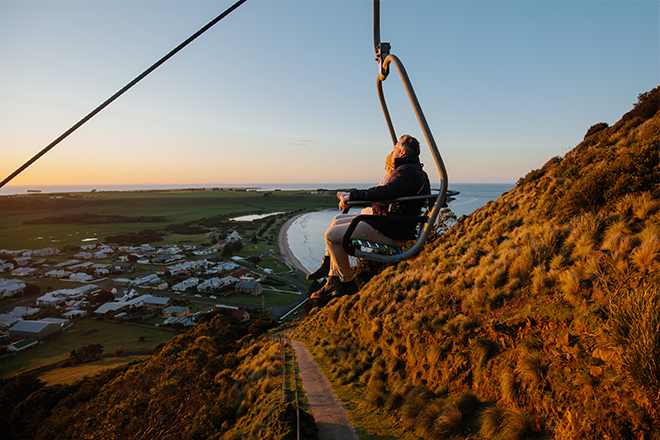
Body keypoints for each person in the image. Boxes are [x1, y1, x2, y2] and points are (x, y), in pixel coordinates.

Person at [310, 134, 431, 299]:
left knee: (331, 235)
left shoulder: (408, 172)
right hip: (390, 222)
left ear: (402, 152)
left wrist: (352, 196)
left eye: (395, 148)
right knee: (337, 221)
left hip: (390, 229)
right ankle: (331, 274)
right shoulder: (409, 171)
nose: (392, 152)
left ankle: (346, 283)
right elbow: (387, 191)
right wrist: (352, 196)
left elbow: (386, 192)